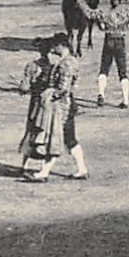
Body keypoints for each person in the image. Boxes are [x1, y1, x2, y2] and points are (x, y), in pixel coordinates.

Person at [65, 0, 129, 109]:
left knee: (104, 69)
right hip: (120, 41)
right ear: (121, 0)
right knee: (123, 72)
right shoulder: (126, 13)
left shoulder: (104, 14)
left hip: (108, 41)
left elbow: (88, 12)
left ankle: (101, 94)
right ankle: (125, 101)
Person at [18, 35, 89, 181]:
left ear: (61, 46)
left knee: (53, 138)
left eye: (55, 46)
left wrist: (50, 94)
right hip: (67, 104)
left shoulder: (66, 63)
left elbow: (63, 88)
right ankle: (82, 169)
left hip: (61, 106)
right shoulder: (68, 61)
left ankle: (44, 172)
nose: (53, 49)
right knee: (70, 139)